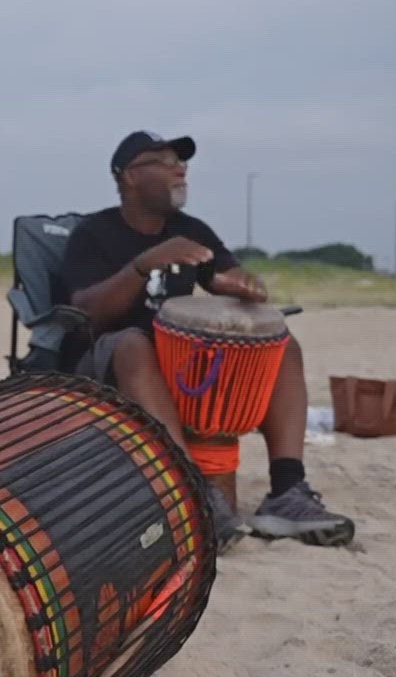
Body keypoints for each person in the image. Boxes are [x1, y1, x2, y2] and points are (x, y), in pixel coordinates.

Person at [59, 131, 355, 548]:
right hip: (102, 360)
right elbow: (86, 312)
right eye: (163, 161)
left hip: (177, 365)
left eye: (181, 163)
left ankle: (287, 492)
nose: (179, 169)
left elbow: (229, 277)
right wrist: (143, 265)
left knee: (281, 344)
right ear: (128, 176)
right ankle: (190, 490)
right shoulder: (95, 233)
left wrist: (243, 286)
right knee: (133, 343)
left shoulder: (192, 231)